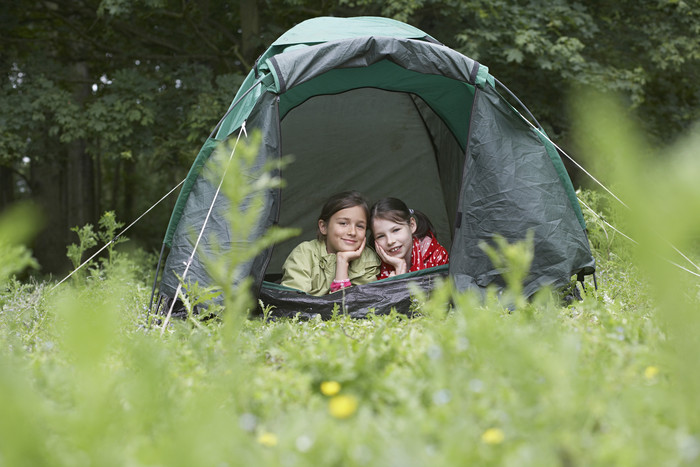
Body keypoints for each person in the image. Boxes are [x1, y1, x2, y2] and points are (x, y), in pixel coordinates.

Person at [280, 191, 381, 295]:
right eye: (343, 223)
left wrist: (342, 262)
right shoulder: (304, 254)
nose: (352, 232)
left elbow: (358, 306)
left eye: (360, 226)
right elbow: (293, 302)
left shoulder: (368, 258)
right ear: (323, 227)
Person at [370, 197, 449, 279]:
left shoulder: (436, 256)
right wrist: (398, 266)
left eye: (396, 230)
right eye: (381, 236)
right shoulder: (373, 267)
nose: (390, 241)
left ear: (412, 225)